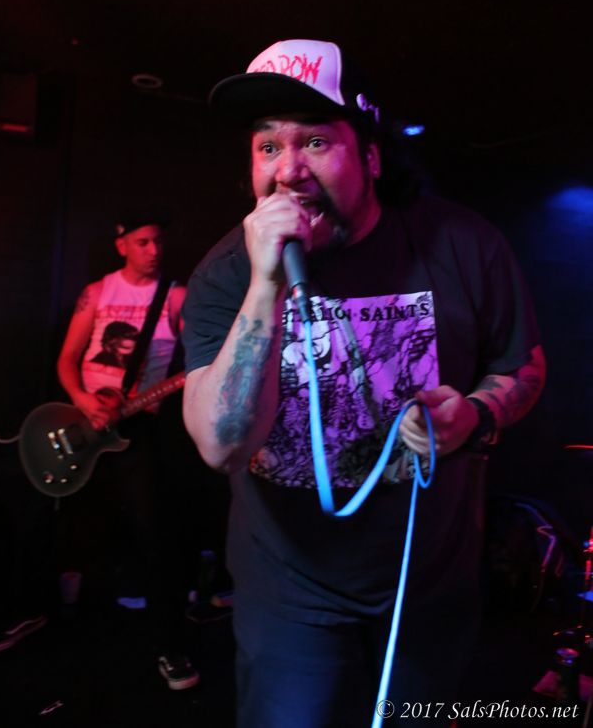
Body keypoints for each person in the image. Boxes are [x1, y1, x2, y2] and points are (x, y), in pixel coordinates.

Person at [181, 39, 546, 726]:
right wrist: (266, 287)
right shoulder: (227, 273)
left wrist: (472, 415)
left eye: (316, 142)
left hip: (423, 581)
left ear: (372, 158)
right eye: (268, 147)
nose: (288, 170)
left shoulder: (462, 245)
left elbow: (522, 366)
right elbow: (222, 445)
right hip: (288, 591)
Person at [56, 208, 200, 691]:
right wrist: (82, 401)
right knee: (81, 527)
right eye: (143, 242)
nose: (154, 251)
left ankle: (170, 646)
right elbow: (68, 360)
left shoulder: (175, 296)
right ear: (122, 245)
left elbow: (201, 357)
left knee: (155, 536)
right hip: (85, 426)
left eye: (159, 241)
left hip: (139, 427)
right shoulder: (97, 292)